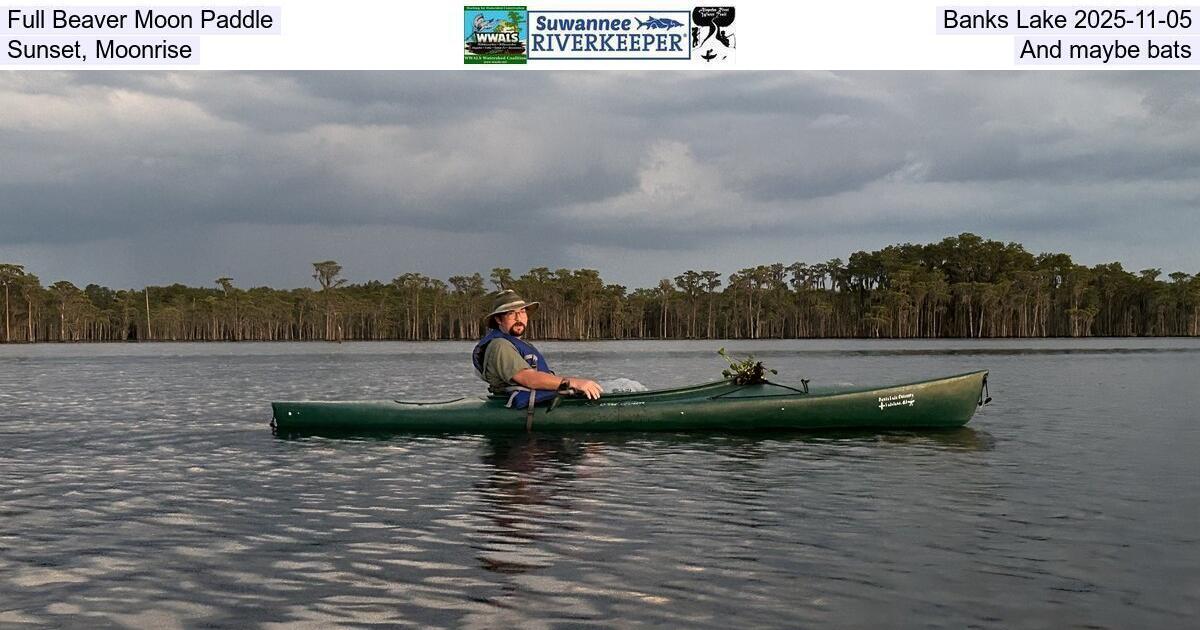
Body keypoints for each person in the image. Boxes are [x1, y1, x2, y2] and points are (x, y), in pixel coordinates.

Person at [472, 289, 602, 408]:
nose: (519, 318)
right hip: (514, 406)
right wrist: (573, 382)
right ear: (498, 319)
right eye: (511, 314)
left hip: (535, 401)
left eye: (522, 312)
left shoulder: (521, 344)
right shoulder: (499, 345)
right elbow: (528, 378)